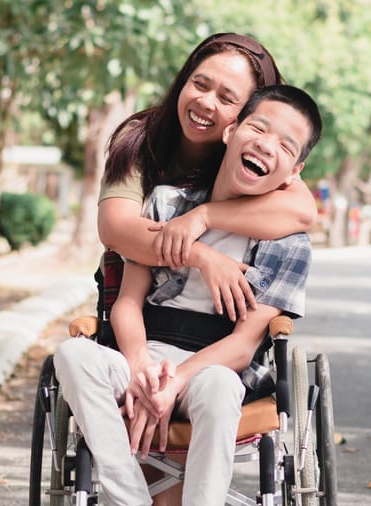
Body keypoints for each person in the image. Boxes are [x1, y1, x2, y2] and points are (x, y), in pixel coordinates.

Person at [54, 84, 323, 506]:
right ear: (230, 132)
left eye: (287, 146)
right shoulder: (166, 204)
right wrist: (139, 368)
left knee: (222, 385)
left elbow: (246, 345)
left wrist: (177, 379)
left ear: (292, 175)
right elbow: (127, 304)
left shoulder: (289, 244)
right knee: (73, 356)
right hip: (144, 352)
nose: (268, 145)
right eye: (259, 127)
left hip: (212, 367)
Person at [97, 32, 317, 323]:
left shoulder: (252, 153)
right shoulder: (140, 139)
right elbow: (115, 228)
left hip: (217, 314)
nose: (206, 102)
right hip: (139, 297)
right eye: (200, 84)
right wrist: (201, 256)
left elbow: (302, 212)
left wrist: (204, 216)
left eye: (227, 98)